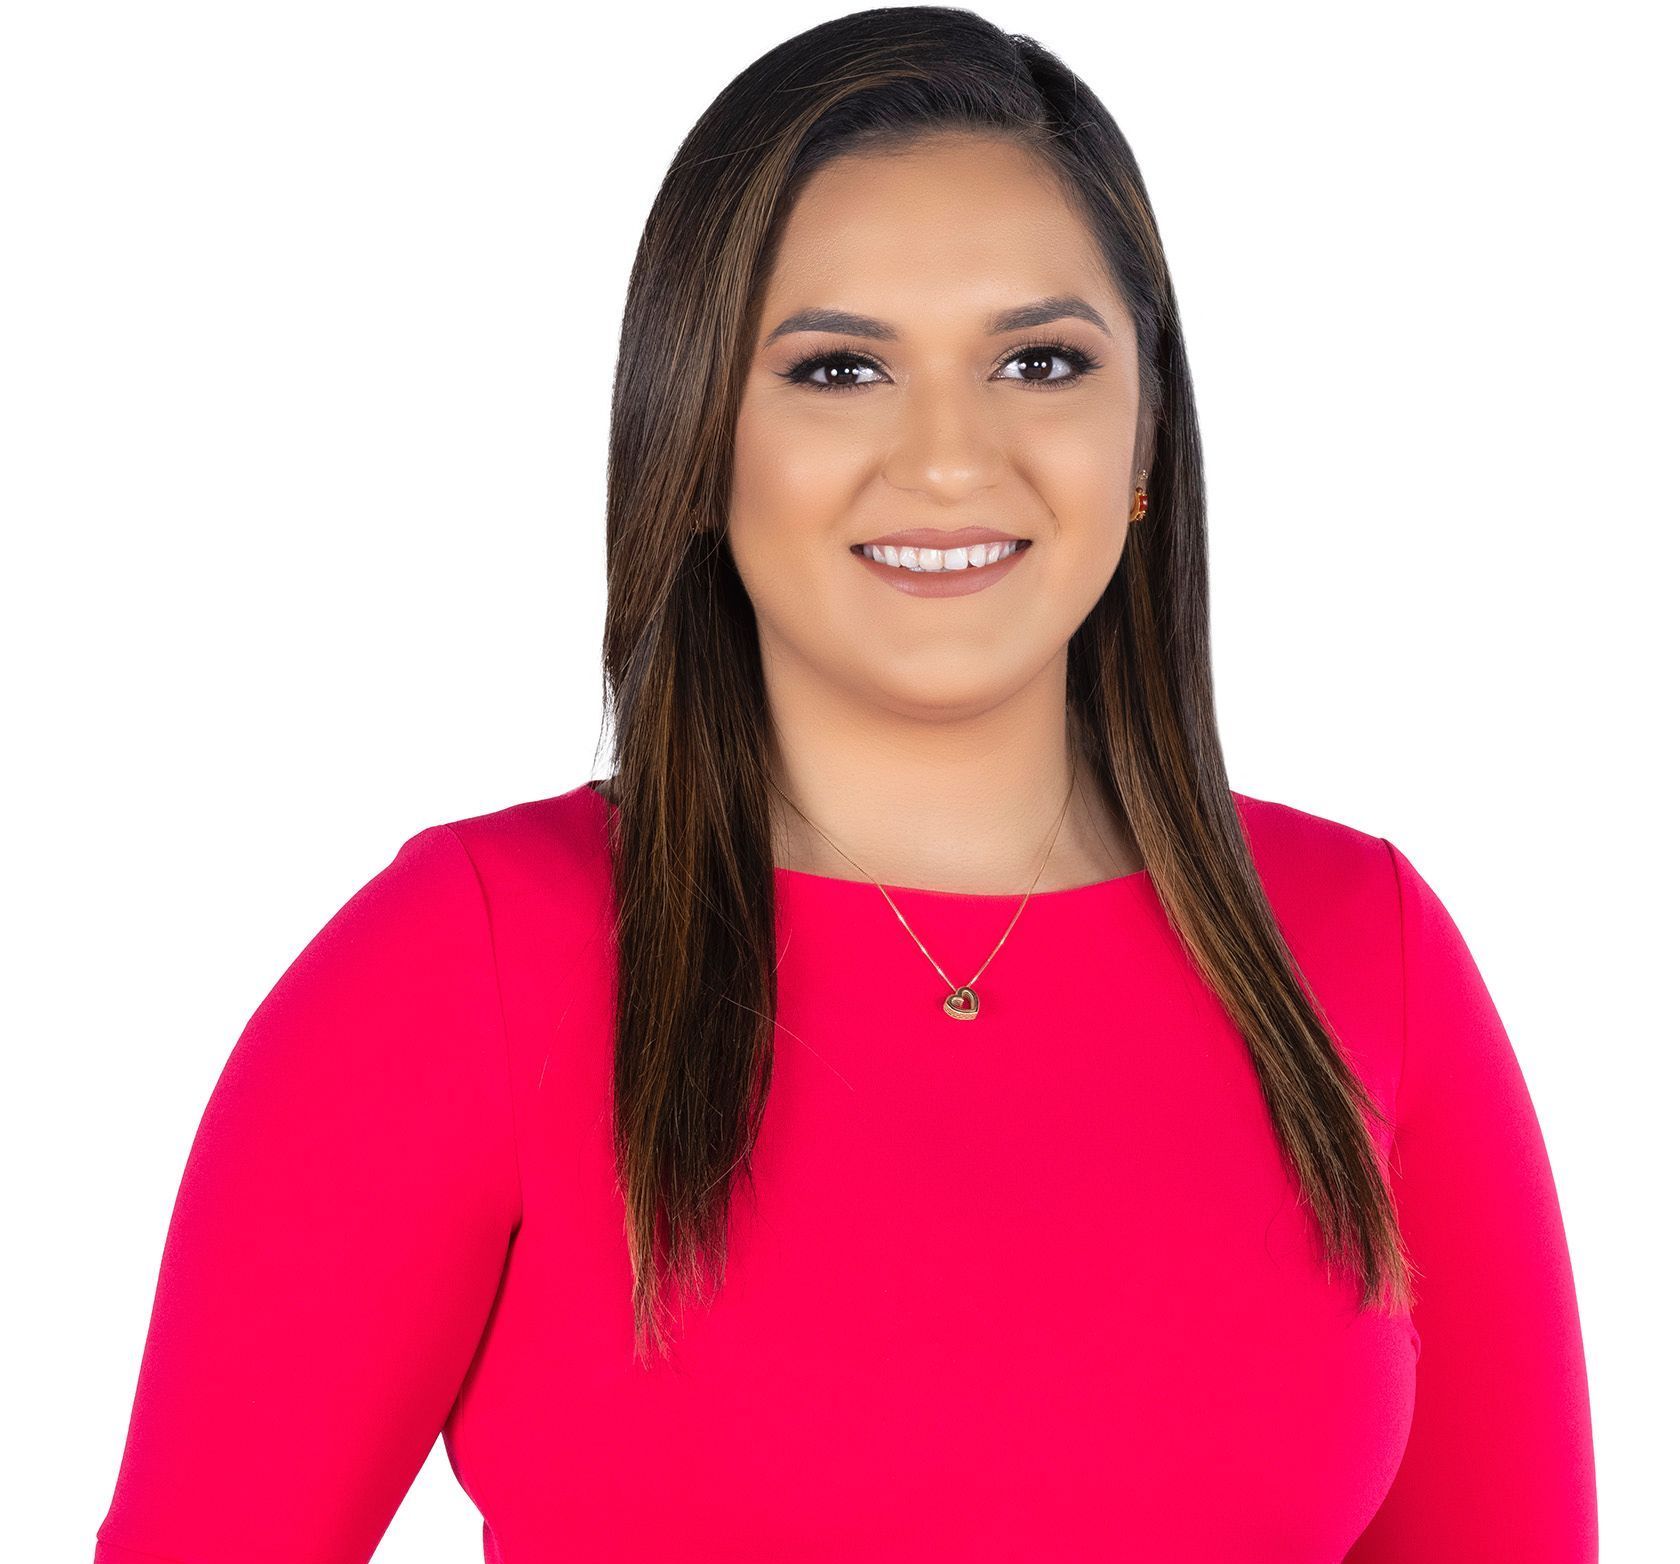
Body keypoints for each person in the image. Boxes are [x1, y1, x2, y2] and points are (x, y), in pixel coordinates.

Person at [92, 8, 1597, 1561]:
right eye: (837, 369)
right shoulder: (467, 960)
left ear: (1144, 425)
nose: (950, 459)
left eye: (1040, 359)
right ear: (698, 433)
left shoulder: (1365, 949)